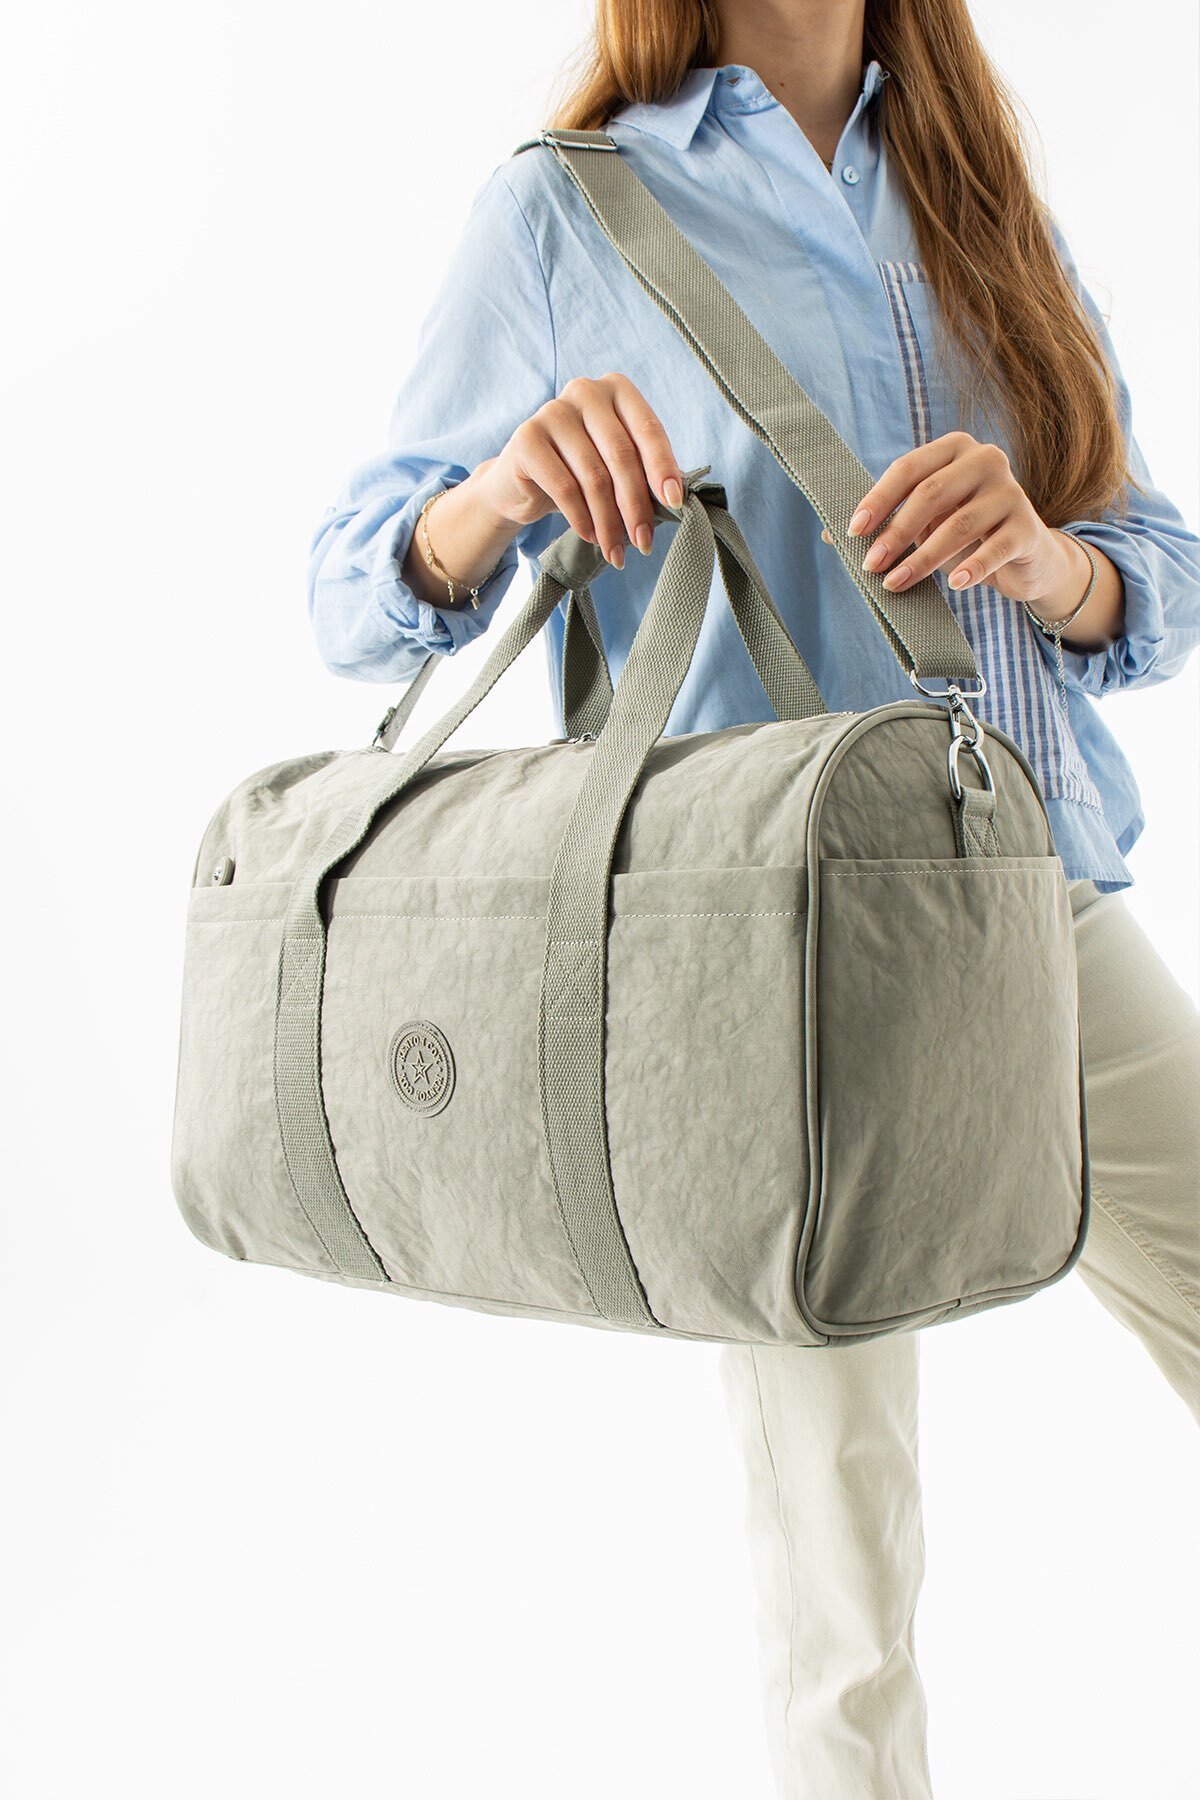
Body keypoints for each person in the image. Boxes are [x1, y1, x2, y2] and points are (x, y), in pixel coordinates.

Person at [307, 3, 1200, 1793]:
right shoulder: (567, 210)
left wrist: (1049, 562)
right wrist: (497, 496)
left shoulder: (974, 193)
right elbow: (350, 595)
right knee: (843, 1586)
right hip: (767, 952)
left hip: (1031, 889)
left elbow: (1155, 574)